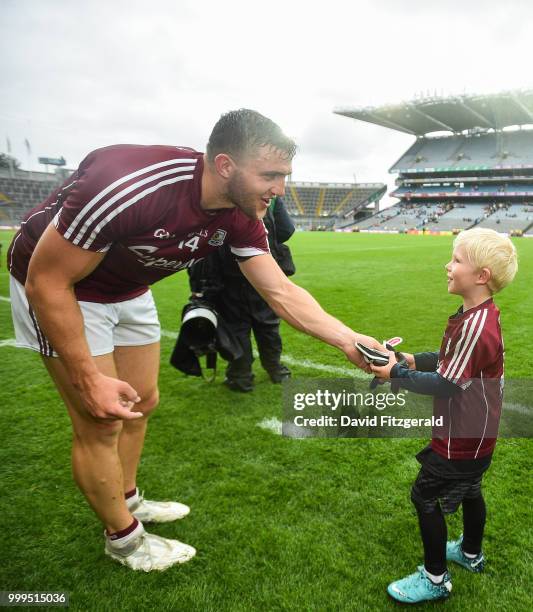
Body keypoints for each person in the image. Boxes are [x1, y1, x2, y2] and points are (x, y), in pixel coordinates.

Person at [7, 109, 382, 572]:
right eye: (270, 175)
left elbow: (279, 290)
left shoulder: (243, 213)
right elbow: (48, 280)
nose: (280, 189)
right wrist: (87, 377)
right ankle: (123, 540)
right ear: (224, 166)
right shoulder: (130, 184)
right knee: (100, 419)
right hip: (59, 286)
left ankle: (127, 499)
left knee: (141, 402)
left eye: (285, 175)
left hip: (127, 288)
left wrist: (347, 339)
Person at [370, 228, 518, 604]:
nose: (447, 266)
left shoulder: (475, 324)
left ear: (481, 275)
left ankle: (435, 579)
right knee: (471, 489)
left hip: (461, 438)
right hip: (476, 435)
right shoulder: (477, 314)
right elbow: (451, 361)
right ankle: (470, 554)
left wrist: (395, 375)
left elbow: (447, 383)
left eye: (456, 260)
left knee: (424, 496)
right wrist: (409, 360)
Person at [188, 195, 294, 391]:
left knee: (236, 328)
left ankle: (240, 376)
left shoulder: (221, 194)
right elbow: (287, 229)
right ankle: (276, 369)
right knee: (268, 325)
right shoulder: (270, 197)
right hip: (262, 271)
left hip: (226, 275)